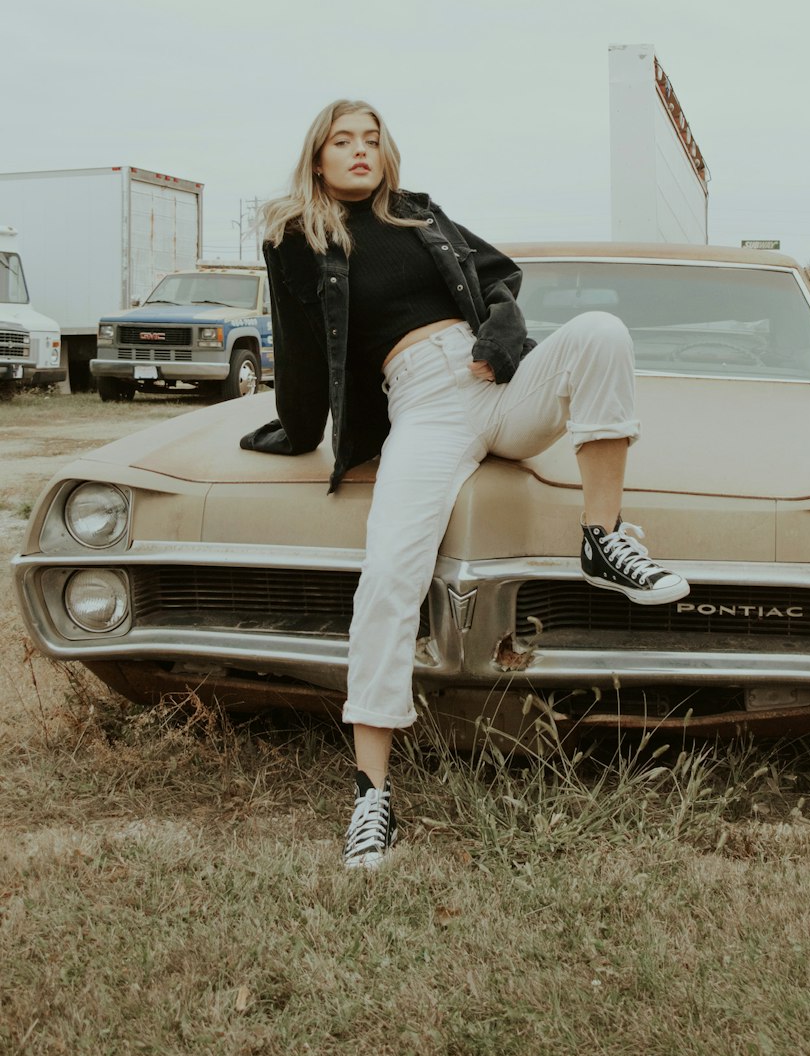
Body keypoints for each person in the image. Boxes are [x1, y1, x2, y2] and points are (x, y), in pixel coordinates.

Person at [241, 99, 690, 870]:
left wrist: (506, 326)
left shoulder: (421, 215)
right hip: (423, 404)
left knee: (603, 335)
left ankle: (603, 540)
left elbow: (497, 278)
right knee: (388, 576)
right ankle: (371, 796)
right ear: (317, 158)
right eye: (342, 142)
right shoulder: (299, 237)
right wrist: (298, 429)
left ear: (387, 153)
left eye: (371, 140)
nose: (360, 151)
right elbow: (305, 356)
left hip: (499, 383)